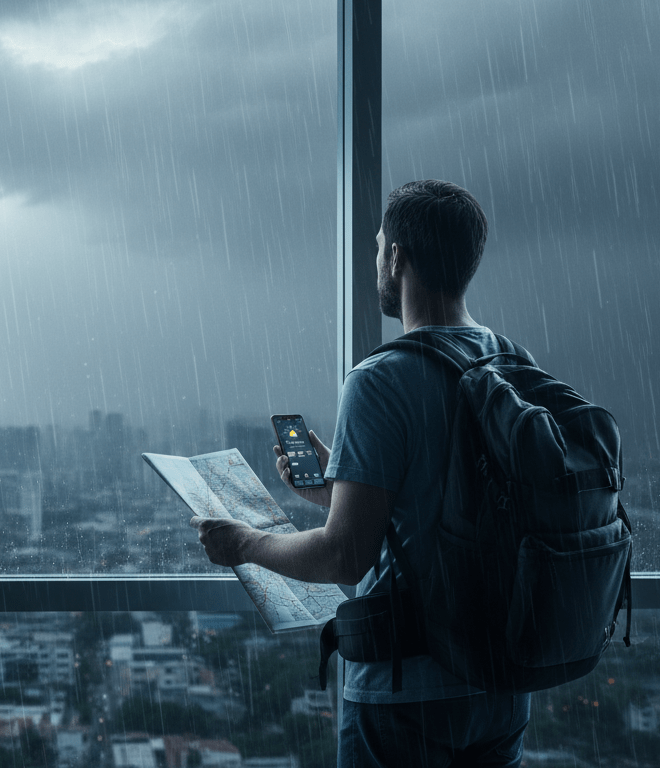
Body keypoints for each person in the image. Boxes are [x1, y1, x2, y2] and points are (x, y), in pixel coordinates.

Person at [190, 179, 530, 767]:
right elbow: (452, 512)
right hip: (501, 682)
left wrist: (242, 542)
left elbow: (345, 558)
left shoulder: (379, 380)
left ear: (397, 257)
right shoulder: (511, 363)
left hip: (408, 690)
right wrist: (340, 490)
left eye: (377, 248)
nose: (376, 262)